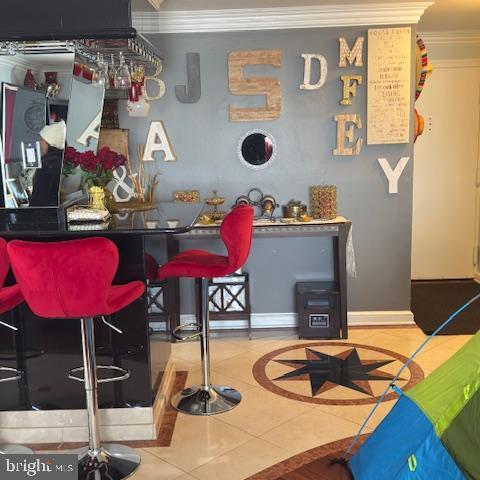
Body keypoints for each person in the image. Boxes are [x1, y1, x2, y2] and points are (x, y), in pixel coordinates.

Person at [30, 120, 66, 207]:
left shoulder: (46, 166)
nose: (39, 144)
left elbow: (38, 202)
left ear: (48, 143)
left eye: (41, 140)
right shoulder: (63, 162)